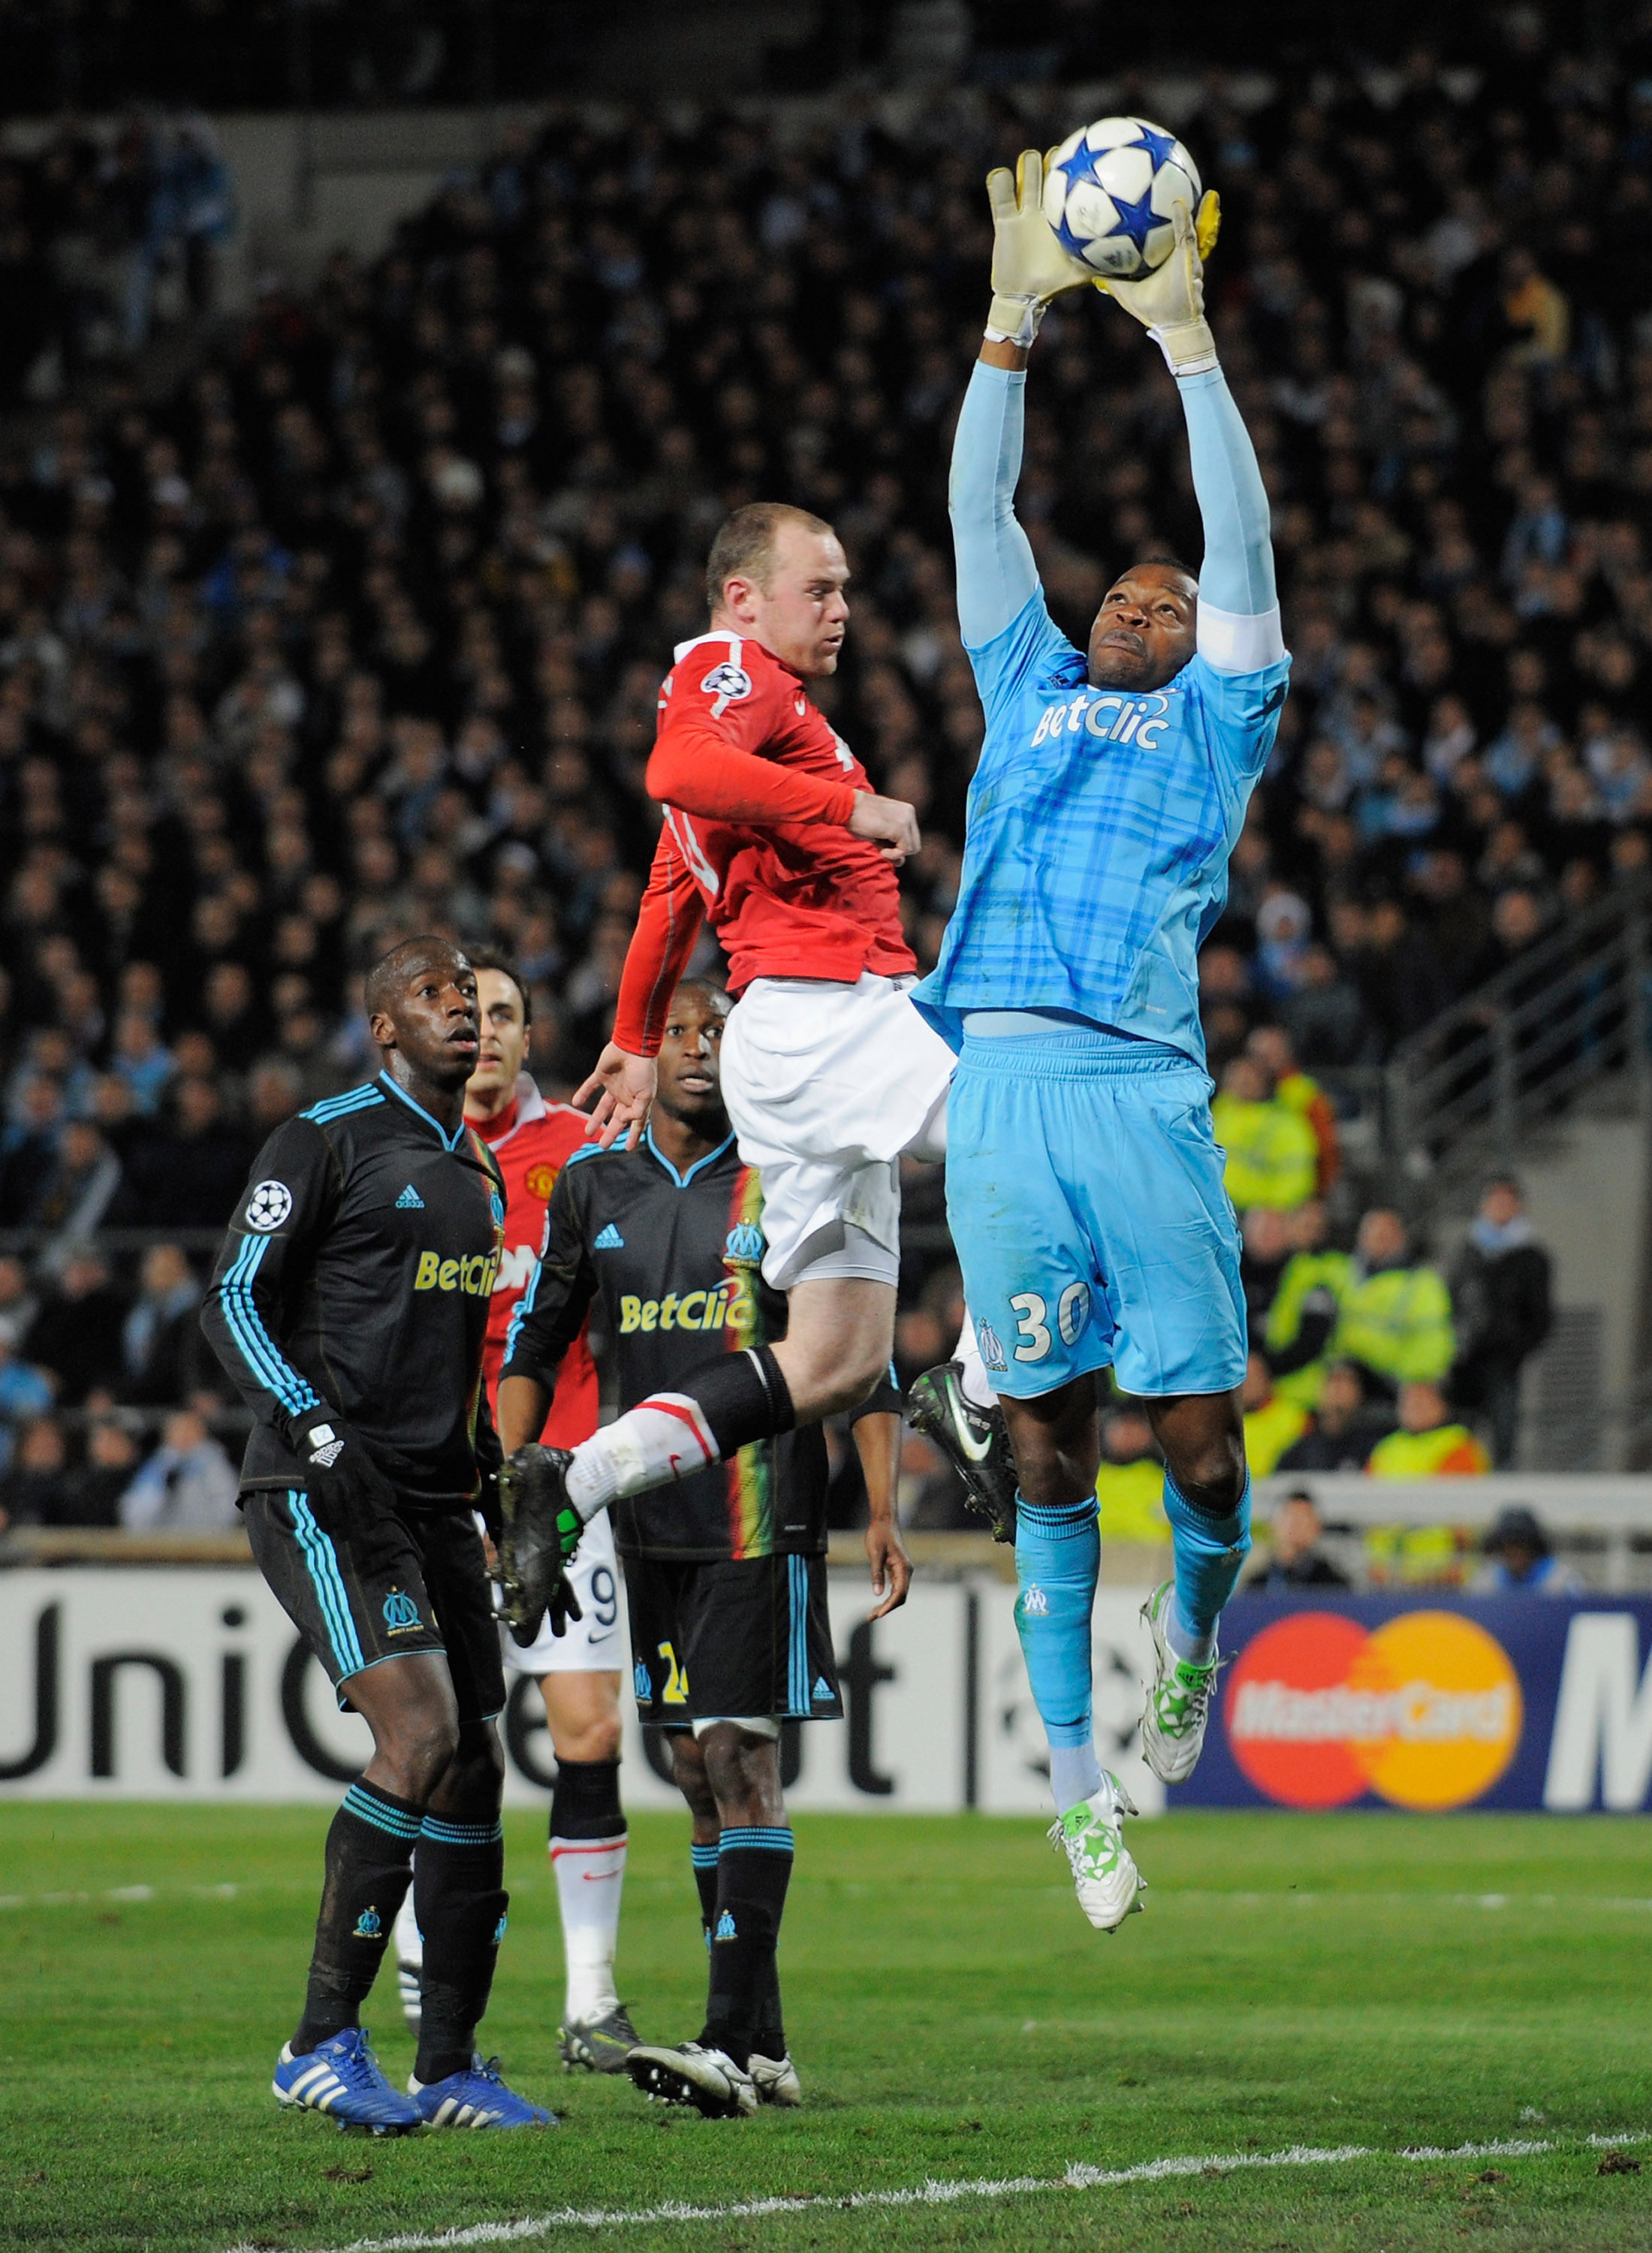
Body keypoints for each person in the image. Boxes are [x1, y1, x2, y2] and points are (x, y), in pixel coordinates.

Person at [909, 155, 1290, 1931]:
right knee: (1045, 1438)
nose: (1140, 607)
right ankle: (1077, 1790)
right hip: (998, 1088)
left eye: (1162, 598)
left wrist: (1184, 341)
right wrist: (1009, 320)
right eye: (1120, 598)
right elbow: (980, 518)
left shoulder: (1217, 724)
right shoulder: (1028, 687)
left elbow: (1244, 545)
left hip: (1140, 1089)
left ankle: (1192, 1632)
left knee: (1198, 1444)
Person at [496, 504, 956, 1638]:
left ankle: (578, 1480)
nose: (843, 610)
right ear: (744, 598)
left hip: (800, 1037)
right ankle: (985, 1399)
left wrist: (639, 1033)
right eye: (823, 588)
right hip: (826, 1014)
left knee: (838, 1361)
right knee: (1036, 1132)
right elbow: (676, 762)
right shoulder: (726, 671)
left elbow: (670, 887)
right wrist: (853, 803)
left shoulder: (766, 732)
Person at [499, 979, 909, 2121]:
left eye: (717, 1033)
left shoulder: (786, 1175)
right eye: (677, 1031)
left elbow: (853, 1351)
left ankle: (729, 2040)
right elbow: (537, 1339)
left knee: (739, 1756)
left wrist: (878, 1503)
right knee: (688, 1771)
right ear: (647, 1051)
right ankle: (765, 2044)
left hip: (756, 1509)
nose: (694, 1049)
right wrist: (516, 1487)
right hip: (645, 1525)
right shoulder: (592, 1184)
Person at [200, 935, 559, 2134]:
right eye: (435, 997)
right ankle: (317, 2042)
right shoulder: (327, 1135)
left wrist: (498, 1499)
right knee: (420, 1731)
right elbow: (234, 1297)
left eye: (473, 997)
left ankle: (449, 2065)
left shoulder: (476, 1171)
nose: (464, 1013)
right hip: (324, 1486)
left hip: (434, 1499)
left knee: (475, 1764)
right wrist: (312, 1434)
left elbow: (457, 1366)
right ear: (386, 1028)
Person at [392, 952, 630, 2074]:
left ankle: (589, 1998)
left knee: (589, 1733)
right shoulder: (404, 1154)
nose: (480, 1030)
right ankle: (408, 1939)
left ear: (532, 1039)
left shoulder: (584, 1154)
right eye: (462, 1012)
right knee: (429, 1737)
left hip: (557, 1480)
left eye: (499, 1014)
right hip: (433, 1485)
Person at [1449, 1174, 1552, 1468]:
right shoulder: (1466, 1252)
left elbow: (1541, 1317)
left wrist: (1514, 1352)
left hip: (1504, 1366)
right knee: (1458, 1441)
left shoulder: (1533, 1257)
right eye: (1495, 1201)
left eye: (1508, 1202)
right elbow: (1451, 1300)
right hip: (1465, 1363)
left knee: (1504, 1442)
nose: (1500, 1207)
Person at [1334, 1209, 1455, 1401]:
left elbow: (1432, 1340)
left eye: (1385, 1234)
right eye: (1372, 1233)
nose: (1378, 1240)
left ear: (1400, 1238)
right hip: (1345, 1378)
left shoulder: (1420, 1282)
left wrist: (1412, 1383)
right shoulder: (1343, 1273)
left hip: (1391, 1384)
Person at [1263, 1200, 1352, 1410]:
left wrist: (1268, 1368)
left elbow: (1313, 1339)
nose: (1310, 1233)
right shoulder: (1289, 1265)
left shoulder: (1326, 1269)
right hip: (1279, 1390)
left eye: (1316, 1227)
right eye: (1304, 1225)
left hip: (1307, 1389)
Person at [1210, 1054, 1318, 1214]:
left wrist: (1273, 1209)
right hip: (1215, 1208)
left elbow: (1298, 1178)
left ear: (1264, 1083)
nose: (1240, 1084)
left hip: (1263, 1214)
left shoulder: (1286, 1123)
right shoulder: (1217, 1114)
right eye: (1235, 1078)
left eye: (1247, 1080)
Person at [118, 1407, 240, 1531]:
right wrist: (163, 1490)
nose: (184, 1435)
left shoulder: (216, 1467)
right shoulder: (156, 1469)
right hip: (163, 1544)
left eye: (190, 1429)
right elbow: (135, 1515)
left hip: (207, 1544)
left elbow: (230, 1507)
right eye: (178, 1430)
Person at [1276, 1361, 1394, 1473]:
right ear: (1319, 1392)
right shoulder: (1301, 1451)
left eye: (1347, 1382)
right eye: (1332, 1381)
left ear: (1359, 1393)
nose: (1338, 1388)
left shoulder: (1376, 1447)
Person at [1366, 1381, 1491, 1476]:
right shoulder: (1386, 1448)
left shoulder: (1459, 1443)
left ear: (1442, 1406)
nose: (1416, 1410)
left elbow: (1453, 1495)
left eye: (1423, 1403)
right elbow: (1366, 1491)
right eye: (1410, 1403)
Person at [1245, 1488, 1349, 1589]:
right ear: (1274, 1525)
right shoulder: (1257, 1586)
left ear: (1317, 1528)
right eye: (1290, 1517)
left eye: (1303, 1519)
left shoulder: (1333, 1585)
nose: (1295, 1526)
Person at [1475, 1504, 1583, 1595]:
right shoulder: (1489, 1579)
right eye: (1508, 1544)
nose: (1514, 1551)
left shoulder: (1560, 1579)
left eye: (1521, 1544)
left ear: (1534, 1546)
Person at [1241, 1352, 1310, 1477]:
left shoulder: (1296, 1417)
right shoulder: (1223, 1422)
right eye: (1243, 1379)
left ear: (1267, 1378)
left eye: (1252, 1378)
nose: (1247, 1385)